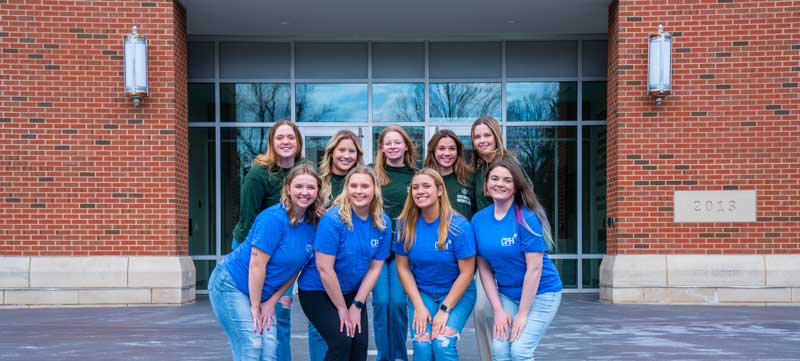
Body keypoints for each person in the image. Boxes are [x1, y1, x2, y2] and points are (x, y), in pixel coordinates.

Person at [209, 164, 325, 361]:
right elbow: (257, 265)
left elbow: (295, 270)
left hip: (263, 292)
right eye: (299, 186)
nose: (304, 192)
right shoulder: (272, 218)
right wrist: (255, 306)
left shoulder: (313, 224)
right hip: (231, 284)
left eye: (311, 187)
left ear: (318, 191)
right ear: (288, 189)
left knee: (270, 351)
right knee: (252, 345)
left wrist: (272, 301)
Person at [298, 166, 392, 361]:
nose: (359, 191)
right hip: (318, 291)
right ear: (346, 188)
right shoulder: (333, 220)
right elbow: (325, 269)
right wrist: (342, 309)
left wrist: (357, 305)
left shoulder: (383, 222)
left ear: (375, 189)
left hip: (351, 292)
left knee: (358, 347)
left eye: (365, 186)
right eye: (354, 185)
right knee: (341, 342)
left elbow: (375, 268)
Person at [230, 120, 306, 361]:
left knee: (279, 316)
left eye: (291, 137)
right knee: (254, 318)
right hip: (254, 255)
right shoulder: (259, 175)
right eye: (280, 137)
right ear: (271, 143)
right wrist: (255, 262)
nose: (286, 142)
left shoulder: (302, 172)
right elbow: (246, 223)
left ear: (298, 143)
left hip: (282, 259)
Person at [472, 160, 562, 361]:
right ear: (486, 184)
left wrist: (522, 314)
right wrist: (498, 310)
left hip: (542, 293)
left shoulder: (527, 218)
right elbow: (484, 268)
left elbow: (535, 269)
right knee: (500, 351)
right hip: (508, 295)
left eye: (507, 180)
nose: (499, 184)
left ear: (515, 186)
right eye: (494, 179)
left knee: (520, 351)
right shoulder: (478, 220)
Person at [394, 168, 477, 361]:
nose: (420, 191)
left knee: (442, 343)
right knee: (422, 346)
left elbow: (467, 273)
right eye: (415, 187)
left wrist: (444, 310)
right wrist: (418, 306)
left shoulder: (458, 226)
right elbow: (403, 267)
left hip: (457, 294)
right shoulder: (405, 224)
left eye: (426, 186)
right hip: (423, 293)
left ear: (439, 190)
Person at [469, 115, 530, 361]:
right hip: (486, 250)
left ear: (496, 136)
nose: (482, 140)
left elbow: (527, 201)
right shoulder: (476, 171)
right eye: (477, 136)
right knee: (483, 309)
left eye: (486, 135)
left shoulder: (509, 164)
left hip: (510, 249)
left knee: (508, 310)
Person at [309, 130, 365, 361]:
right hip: (320, 262)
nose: (346, 155)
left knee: (348, 332)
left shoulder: (362, 182)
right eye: (341, 150)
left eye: (352, 151)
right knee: (320, 328)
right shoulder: (320, 183)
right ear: (331, 153)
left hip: (348, 266)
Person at [372, 125, 417, 361]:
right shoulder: (373, 175)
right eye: (388, 143)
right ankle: (384, 357)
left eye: (397, 142)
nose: (393, 147)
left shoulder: (416, 176)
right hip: (378, 252)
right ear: (381, 148)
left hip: (404, 252)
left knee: (398, 304)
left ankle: (399, 356)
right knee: (381, 304)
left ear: (406, 145)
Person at [424, 129, 475, 220]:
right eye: (441, 148)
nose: (447, 153)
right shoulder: (424, 180)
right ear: (433, 151)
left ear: (458, 151)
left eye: (452, 148)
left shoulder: (469, 179)